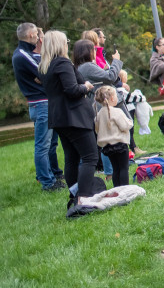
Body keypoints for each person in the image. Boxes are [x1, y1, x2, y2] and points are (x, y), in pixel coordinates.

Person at [38, 31, 99, 217]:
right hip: (74, 117)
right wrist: (86, 87)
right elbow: (72, 90)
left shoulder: (45, 66)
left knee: (71, 158)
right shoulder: (62, 63)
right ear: (60, 44)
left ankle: (74, 196)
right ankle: (84, 198)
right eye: (66, 42)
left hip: (59, 118)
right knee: (90, 157)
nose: (68, 45)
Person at [13, 23, 64, 191]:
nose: (39, 38)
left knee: (50, 144)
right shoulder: (22, 55)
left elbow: (43, 75)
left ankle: (52, 175)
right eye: (36, 35)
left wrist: (41, 77)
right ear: (30, 36)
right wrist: (42, 77)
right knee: (42, 145)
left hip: (42, 103)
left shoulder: (25, 54)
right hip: (41, 103)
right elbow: (46, 73)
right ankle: (47, 182)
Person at [74, 38, 124, 179]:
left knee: (102, 139)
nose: (96, 51)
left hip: (93, 107)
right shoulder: (87, 66)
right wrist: (116, 61)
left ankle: (110, 171)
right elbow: (110, 77)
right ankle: (110, 173)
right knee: (105, 138)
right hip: (98, 107)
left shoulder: (82, 67)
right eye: (93, 49)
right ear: (87, 52)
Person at [94, 86, 132, 187]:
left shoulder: (98, 114)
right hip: (120, 144)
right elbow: (125, 126)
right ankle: (125, 190)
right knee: (124, 168)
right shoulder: (117, 111)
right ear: (111, 98)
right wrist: (130, 122)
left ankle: (117, 188)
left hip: (107, 147)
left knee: (116, 169)